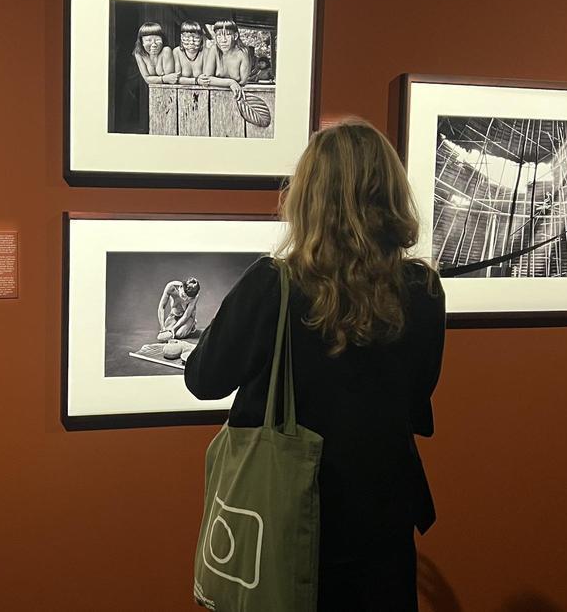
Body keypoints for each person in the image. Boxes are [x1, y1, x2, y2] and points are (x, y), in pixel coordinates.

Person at [184, 119, 446, 611]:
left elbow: (204, 379)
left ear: (308, 197)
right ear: (390, 193)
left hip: (293, 507)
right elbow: (418, 395)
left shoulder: (273, 283)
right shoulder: (422, 288)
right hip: (383, 508)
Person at [199, 20, 250, 97]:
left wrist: (217, 81)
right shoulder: (214, 49)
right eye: (219, 36)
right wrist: (230, 82)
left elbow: (243, 82)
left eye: (228, 35)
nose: (223, 40)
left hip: (237, 96)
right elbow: (206, 78)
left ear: (235, 36)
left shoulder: (242, 53)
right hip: (215, 96)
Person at [156, 277, 200, 341]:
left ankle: (192, 323)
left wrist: (174, 329)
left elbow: (186, 315)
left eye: (189, 298)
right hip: (174, 316)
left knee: (178, 334)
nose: (185, 299)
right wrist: (162, 327)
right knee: (167, 333)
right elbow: (161, 307)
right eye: (183, 296)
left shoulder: (195, 296)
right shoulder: (171, 287)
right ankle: (177, 326)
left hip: (188, 317)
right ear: (181, 287)